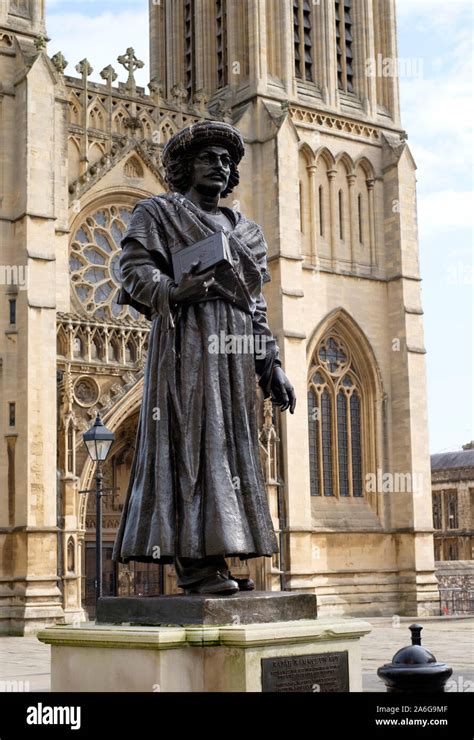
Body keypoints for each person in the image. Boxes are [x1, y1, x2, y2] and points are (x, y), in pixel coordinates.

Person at [112, 121, 296, 595]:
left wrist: (270, 362)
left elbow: (256, 304)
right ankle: (193, 564)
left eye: (226, 160)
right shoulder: (159, 212)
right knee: (189, 441)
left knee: (230, 447)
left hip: (234, 354)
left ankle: (218, 553)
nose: (221, 165)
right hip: (186, 342)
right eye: (209, 157)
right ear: (184, 167)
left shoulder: (246, 231)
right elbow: (131, 269)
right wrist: (174, 289)